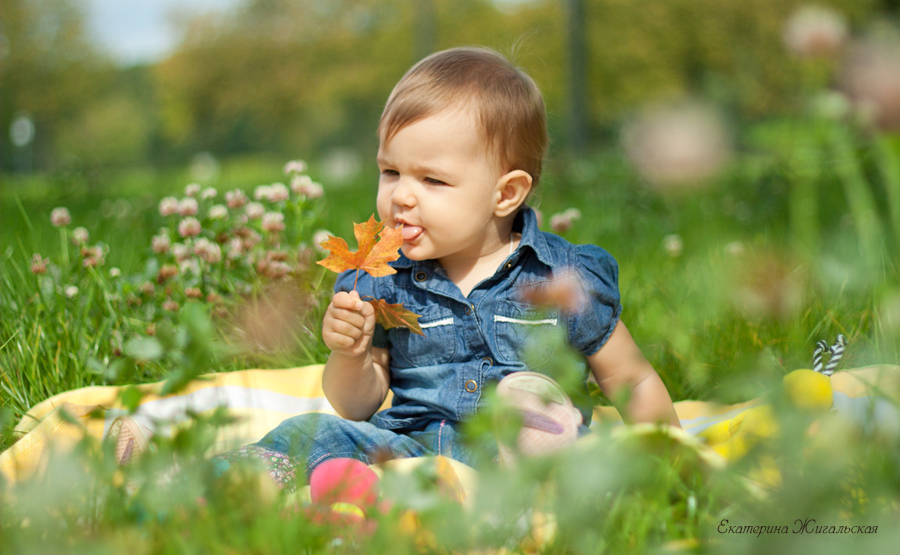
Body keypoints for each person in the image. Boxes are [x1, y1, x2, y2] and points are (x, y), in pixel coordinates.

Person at [216, 46, 681, 489]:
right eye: (390, 172)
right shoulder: (379, 280)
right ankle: (223, 487)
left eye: (432, 179)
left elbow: (631, 378)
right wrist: (351, 354)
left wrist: (672, 461)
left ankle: (533, 485)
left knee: (589, 461)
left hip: (523, 461)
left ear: (505, 194)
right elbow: (355, 406)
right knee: (315, 434)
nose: (401, 196)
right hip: (408, 454)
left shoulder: (562, 278)